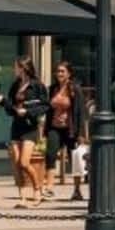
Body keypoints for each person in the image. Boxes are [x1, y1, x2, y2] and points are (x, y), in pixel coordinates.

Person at [2, 57, 49, 204]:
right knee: (17, 164)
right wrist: (4, 102)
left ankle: (37, 189)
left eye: (16, 67)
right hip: (17, 126)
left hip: (30, 127)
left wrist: (28, 112)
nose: (14, 69)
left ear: (23, 68)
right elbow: (11, 108)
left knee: (24, 162)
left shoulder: (37, 85)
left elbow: (45, 106)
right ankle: (22, 197)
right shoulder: (15, 85)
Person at [46, 59, 78, 191]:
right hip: (54, 127)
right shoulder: (52, 89)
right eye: (58, 71)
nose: (59, 74)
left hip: (70, 128)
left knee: (74, 158)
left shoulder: (74, 89)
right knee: (50, 154)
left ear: (69, 74)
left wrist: (81, 132)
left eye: (62, 71)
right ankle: (50, 187)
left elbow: (80, 111)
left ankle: (77, 190)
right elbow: (48, 107)